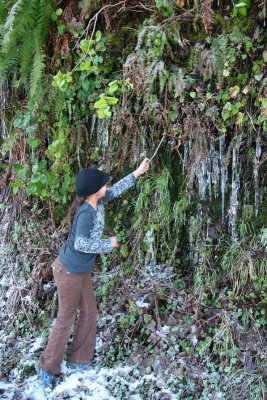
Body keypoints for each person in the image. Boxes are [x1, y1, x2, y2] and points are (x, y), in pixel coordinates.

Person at [35, 158, 150, 388]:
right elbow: (80, 244)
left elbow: (116, 189)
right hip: (68, 271)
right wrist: (109, 243)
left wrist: (137, 172)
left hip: (80, 270)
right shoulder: (87, 212)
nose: (106, 185)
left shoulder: (98, 199)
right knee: (66, 318)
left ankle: (79, 358)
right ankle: (47, 367)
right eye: (102, 183)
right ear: (94, 191)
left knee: (89, 311)